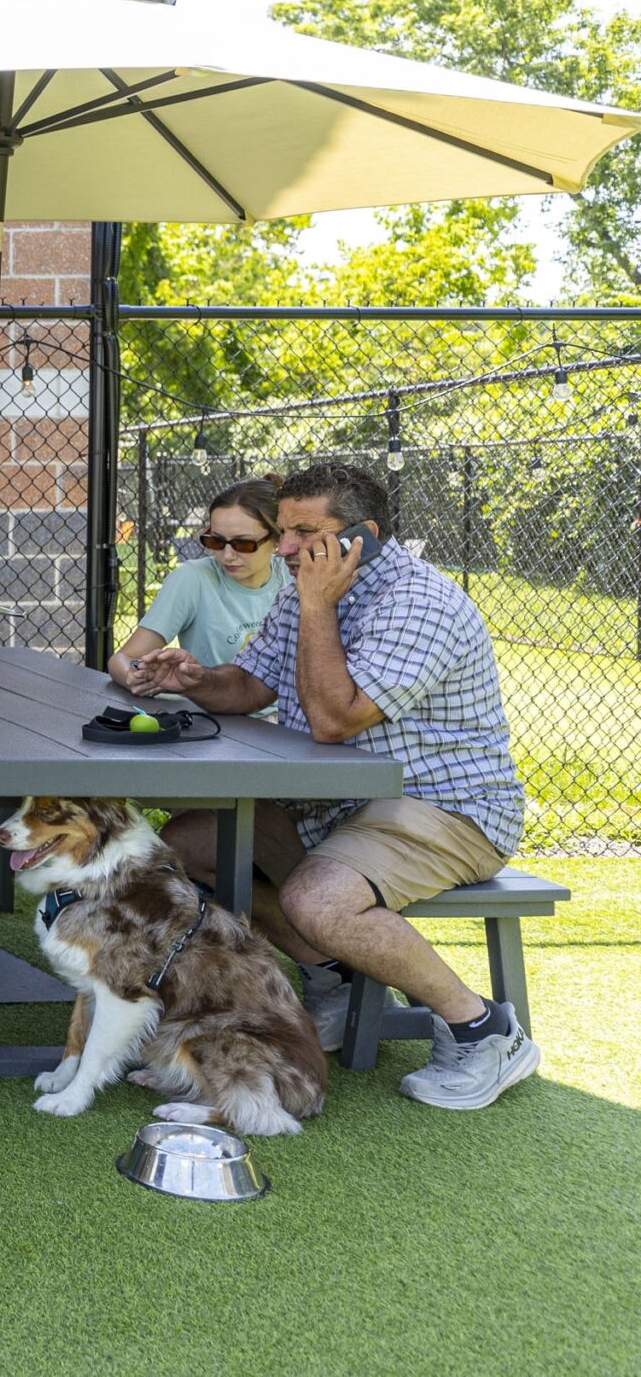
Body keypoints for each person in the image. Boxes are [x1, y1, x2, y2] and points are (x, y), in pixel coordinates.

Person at [132, 460, 538, 1111]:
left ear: (364, 534)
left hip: (446, 808)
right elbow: (250, 685)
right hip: (333, 804)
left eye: (303, 533)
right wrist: (195, 677)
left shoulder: (417, 602)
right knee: (183, 849)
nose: (285, 548)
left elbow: (334, 717)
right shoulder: (304, 586)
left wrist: (318, 603)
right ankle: (334, 981)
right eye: (283, 531)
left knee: (317, 898)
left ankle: (482, 1027)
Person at [109, 475, 289, 691]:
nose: (227, 555)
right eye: (216, 541)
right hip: (216, 716)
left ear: (277, 539)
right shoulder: (193, 579)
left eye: (243, 544)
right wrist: (133, 676)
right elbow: (123, 658)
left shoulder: (293, 577)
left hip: (283, 718)